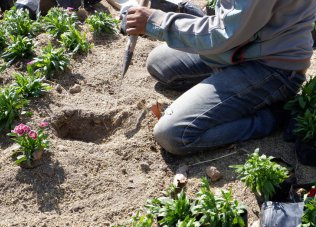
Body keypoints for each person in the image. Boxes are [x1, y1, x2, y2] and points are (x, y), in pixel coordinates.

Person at [125, 0, 316, 155]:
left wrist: (156, 21)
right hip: (240, 45)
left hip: (271, 66)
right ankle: (228, 90)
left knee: (173, 134)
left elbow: (222, 34)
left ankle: (273, 117)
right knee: (159, 63)